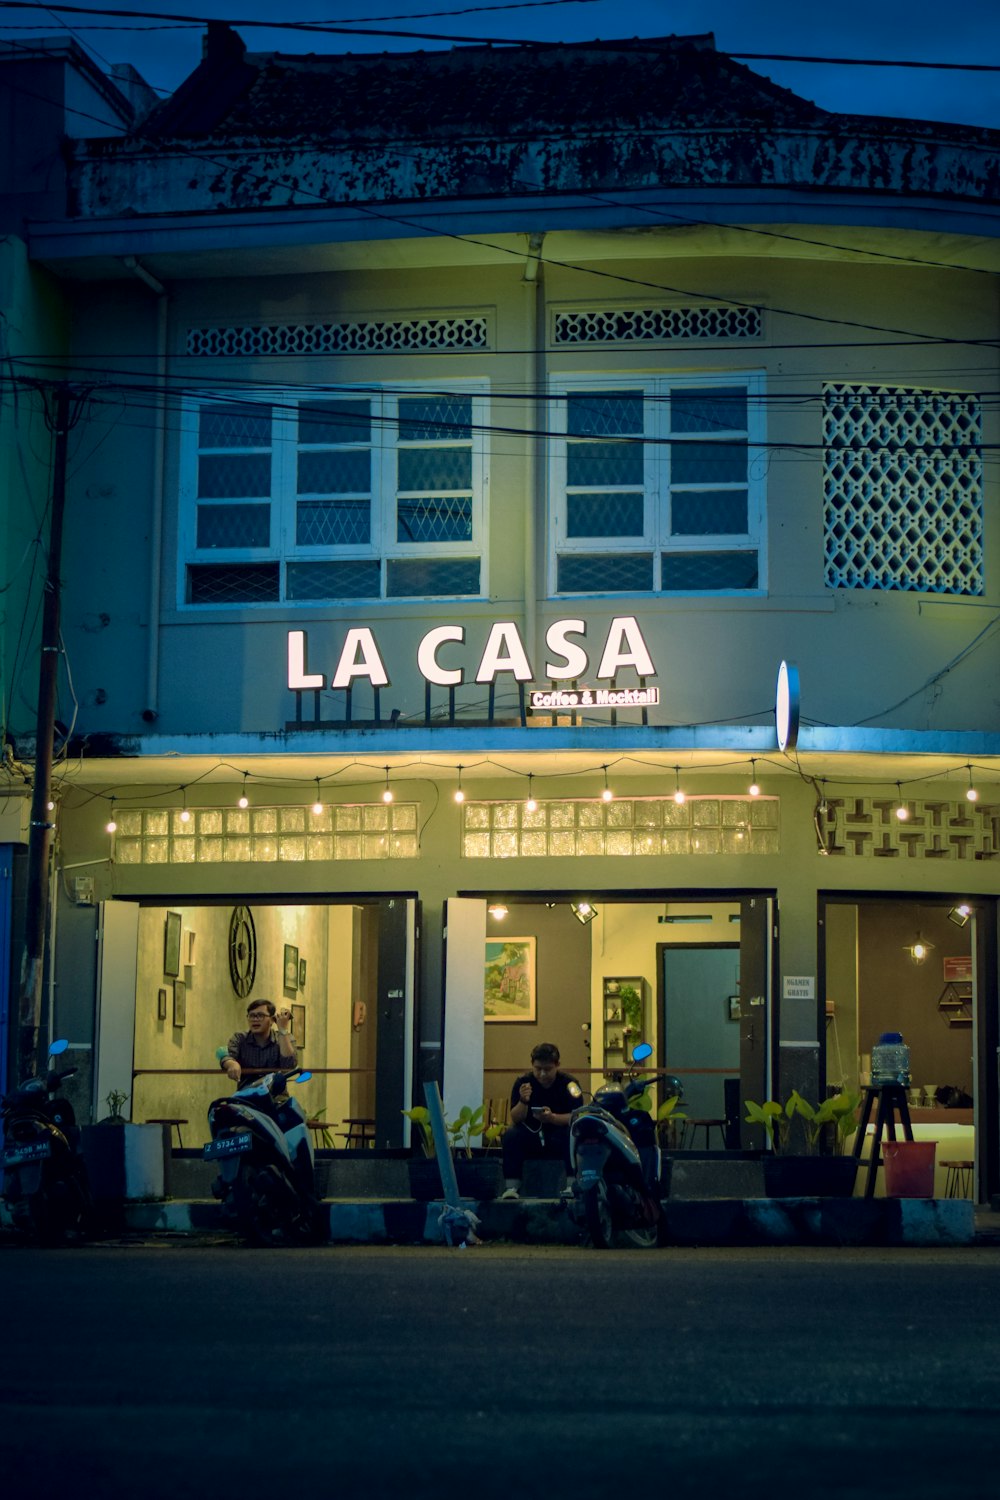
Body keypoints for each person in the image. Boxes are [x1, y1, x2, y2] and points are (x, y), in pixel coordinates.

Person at [500, 1041, 583, 1200]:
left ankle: (571, 1184)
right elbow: (516, 1118)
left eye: (548, 1069)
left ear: (557, 1065)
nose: (543, 1074)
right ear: (532, 1065)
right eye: (538, 1069)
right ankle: (512, 1187)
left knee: (573, 1133)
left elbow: (576, 1117)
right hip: (531, 1135)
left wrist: (552, 1118)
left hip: (558, 1134)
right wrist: (523, 1101)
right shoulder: (523, 1083)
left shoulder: (569, 1084)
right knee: (511, 1135)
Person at [221, 999, 298, 1085]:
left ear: (272, 1020)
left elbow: (289, 1066)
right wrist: (231, 1064)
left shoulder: (285, 1038)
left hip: (276, 1096)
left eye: (260, 1015)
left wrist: (283, 1030)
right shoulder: (240, 1038)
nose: (255, 1019)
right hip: (245, 1095)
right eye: (251, 1015)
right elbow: (226, 1056)